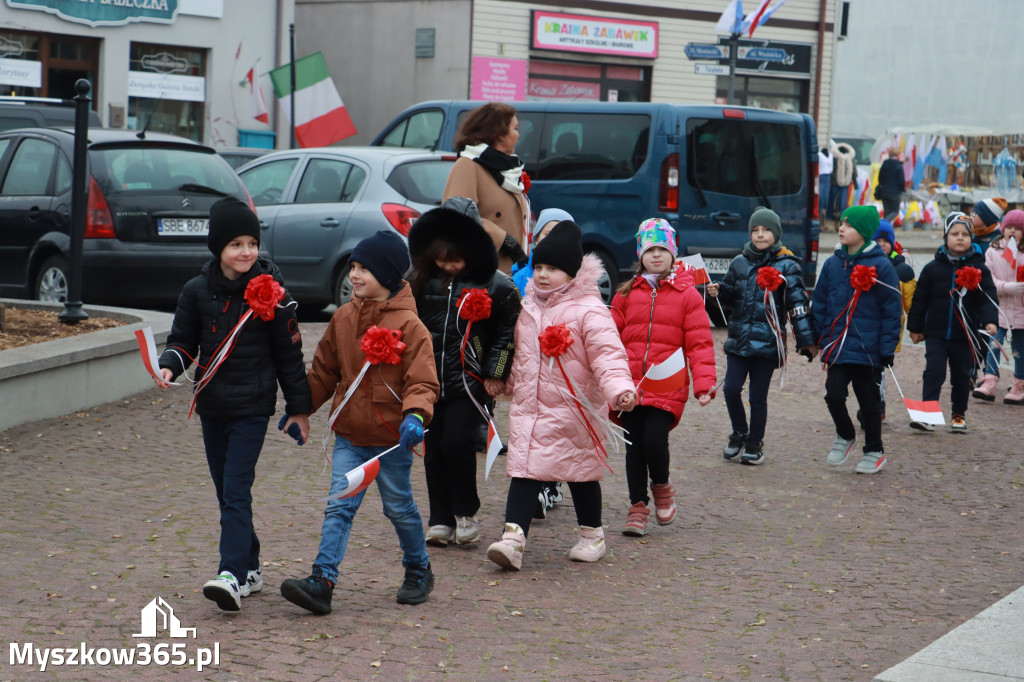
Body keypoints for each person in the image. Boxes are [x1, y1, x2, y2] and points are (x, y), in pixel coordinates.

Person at [155, 196, 312, 612]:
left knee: (237, 489)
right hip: (212, 406)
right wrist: (170, 366)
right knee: (227, 492)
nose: (246, 252)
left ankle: (231, 574)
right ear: (218, 248)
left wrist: (299, 409)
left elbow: (289, 355)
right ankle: (252, 565)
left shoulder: (272, 294)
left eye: (251, 243)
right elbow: (183, 341)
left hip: (252, 408)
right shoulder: (196, 291)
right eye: (236, 244)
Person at [279, 230, 440, 615]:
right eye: (352, 266)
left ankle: (418, 567)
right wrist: (301, 408)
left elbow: (422, 381)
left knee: (399, 508)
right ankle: (323, 580)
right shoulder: (343, 318)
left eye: (364, 268)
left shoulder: (411, 327)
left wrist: (415, 416)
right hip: (350, 436)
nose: (354, 274)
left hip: (391, 440)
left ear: (387, 273)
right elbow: (323, 372)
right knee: (340, 506)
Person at [485, 221, 636, 570]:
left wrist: (620, 391)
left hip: (574, 411)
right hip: (531, 410)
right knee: (524, 471)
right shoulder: (527, 309)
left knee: (580, 474)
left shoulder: (590, 311)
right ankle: (513, 539)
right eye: (538, 267)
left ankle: (591, 534)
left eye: (552, 269)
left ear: (571, 273)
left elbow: (608, 356)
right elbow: (521, 357)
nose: (542, 275)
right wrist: (502, 381)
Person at [407, 197, 520, 547]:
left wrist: (495, 373)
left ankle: (465, 511)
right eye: (441, 258)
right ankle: (439, 518)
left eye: (455, 258)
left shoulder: (496, 284)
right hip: (427, 381)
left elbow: (507, 332)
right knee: (433, 449)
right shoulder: (418, 281)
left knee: (457, 443)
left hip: (468, 381)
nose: (448, 266)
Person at [612, 219, 716, 536]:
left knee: (654, 440)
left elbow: (699, 343)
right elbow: (609, 338)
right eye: (650, 249)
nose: (656, 255)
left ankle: (661, 484)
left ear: (673, 253)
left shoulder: (688, 295)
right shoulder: (626, 293)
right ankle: (637, 507)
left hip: (666, 383)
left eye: (662, 249)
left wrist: (704, 384)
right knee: (634, 445)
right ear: (640, 254)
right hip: (629, 385)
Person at [708, 208, 816, 467]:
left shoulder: (787, 265)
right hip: (738, 341)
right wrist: (718, 292)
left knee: (757, 397)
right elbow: (730, 295)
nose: (760, 234)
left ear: (775, 233)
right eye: (755, 230)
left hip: (767, 344)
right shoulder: (739, 262)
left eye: (765, 230)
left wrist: (807, 340)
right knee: (731, 389)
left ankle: (755, 443)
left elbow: (798, 304)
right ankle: (739, 432)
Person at [811, 205, 902, 474]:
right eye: (841, 223)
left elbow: (892, 310)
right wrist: (816, 338)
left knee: (869, 401)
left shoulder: (882, 266)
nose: (841, 228)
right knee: (834, 396)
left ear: (863, 232)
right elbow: (820, 303)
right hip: (838, 347)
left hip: (868, 350)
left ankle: (874, 450)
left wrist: (887, 349)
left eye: (848, 226)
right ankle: (845, 433)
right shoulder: (832, 264)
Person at [906, 213, 998, 433]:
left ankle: (959, 414)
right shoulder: (932, 268)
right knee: (934, 372)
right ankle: (928, 414)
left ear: (972, 238)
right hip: (936, 333)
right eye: (954, 234)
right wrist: (916, 328)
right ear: (945, 236)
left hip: (965, 335)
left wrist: (989, 321)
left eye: (965, 234)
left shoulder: (980, 269)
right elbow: (920, 300)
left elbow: (988, 297)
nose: (960, 238)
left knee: (961, 376)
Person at [509, 206, 574, 516]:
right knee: (530, 432)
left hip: (561, 370)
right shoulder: (522, 277)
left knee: (556, 433)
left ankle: (550, 484)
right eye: (547, 233)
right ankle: (531, 489)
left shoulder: (575, 285)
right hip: (529, 366)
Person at [443, 102, 529, 274]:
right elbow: (456, 219)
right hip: (482, 277)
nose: (518, 135)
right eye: (515, 128)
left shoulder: (510, 170)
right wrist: (504, 240)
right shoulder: (468, 165)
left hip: (510, 277)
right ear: (500, 134)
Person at [866, 219, 917, 421]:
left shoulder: (903, 270)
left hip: (889, 330)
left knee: (880, 370)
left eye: (885, 240)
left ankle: (878, 405)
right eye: (876, 240)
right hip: (867, 326)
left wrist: (917, 325)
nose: (881, 244)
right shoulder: (864, 265)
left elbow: (911, 303)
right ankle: (873, 403)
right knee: (868, 370)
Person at [975, 209, 1024, 403]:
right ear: (1003, 229)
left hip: (1021, 310)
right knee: (994, 344)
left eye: (1017, 228)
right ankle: (990, 380)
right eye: (1009, 227)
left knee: (1020, 349)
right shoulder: (992, 251)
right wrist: (1008, 287)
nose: (1012, 231)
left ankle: (1019, 384)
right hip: (999, 307)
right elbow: (988, 279)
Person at [511, 207, 573, 295]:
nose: (553, 239)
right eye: (547, 234)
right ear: (536, 239)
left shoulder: (577, 277)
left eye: (561, 235)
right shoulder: (520, 277)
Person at [877, 148, 906, 222]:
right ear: (897, 155)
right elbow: (901, 180)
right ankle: (884, 222)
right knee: (895, 211)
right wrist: (902, 189)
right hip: (895, 192)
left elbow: (880, 178)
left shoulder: (884, 164)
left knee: (886, 212)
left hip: (884, 191)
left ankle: (885, 229)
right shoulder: (899, 165)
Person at [818, 147, 833, 228]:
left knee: (825, 201)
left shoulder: (830, 155)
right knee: (820, 199)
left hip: (828, 178)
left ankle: (823, 222)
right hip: (821, 177)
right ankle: (820, 223)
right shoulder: (819, 155)